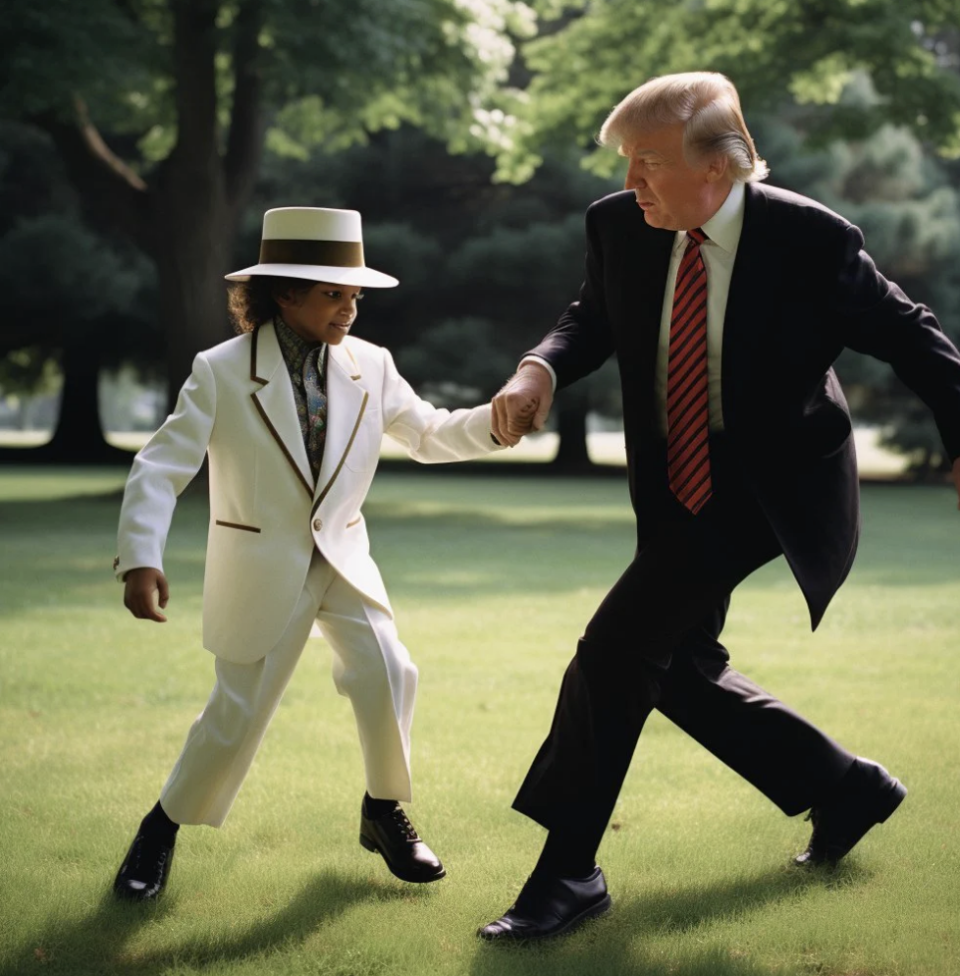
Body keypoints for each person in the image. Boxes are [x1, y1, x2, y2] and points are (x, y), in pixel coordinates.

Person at [480, 71, 960, 942]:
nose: (632, 184)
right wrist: (539, 366)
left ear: (724, 165)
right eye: (628, 163)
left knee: (618, 647)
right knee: (680, 668)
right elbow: (592, 316)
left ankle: (567, 873)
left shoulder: (812, 239)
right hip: (673, 481)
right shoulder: (619, 225)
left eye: (650, 163)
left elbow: (909, 332)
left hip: (772, 485)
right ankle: (845, 786)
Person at [112, 206, 503, 902]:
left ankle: (383, 812)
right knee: (236, 715)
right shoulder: (221, 371)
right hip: (260, 569)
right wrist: (141, 556)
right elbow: (160, 466)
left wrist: (498, 422)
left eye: (355, 295)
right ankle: (160, 829)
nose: (350, 307)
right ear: (285, 293)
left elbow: (432, 433)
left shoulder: (371, 366)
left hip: (345, 560)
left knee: (390, 670)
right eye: (334, 293)